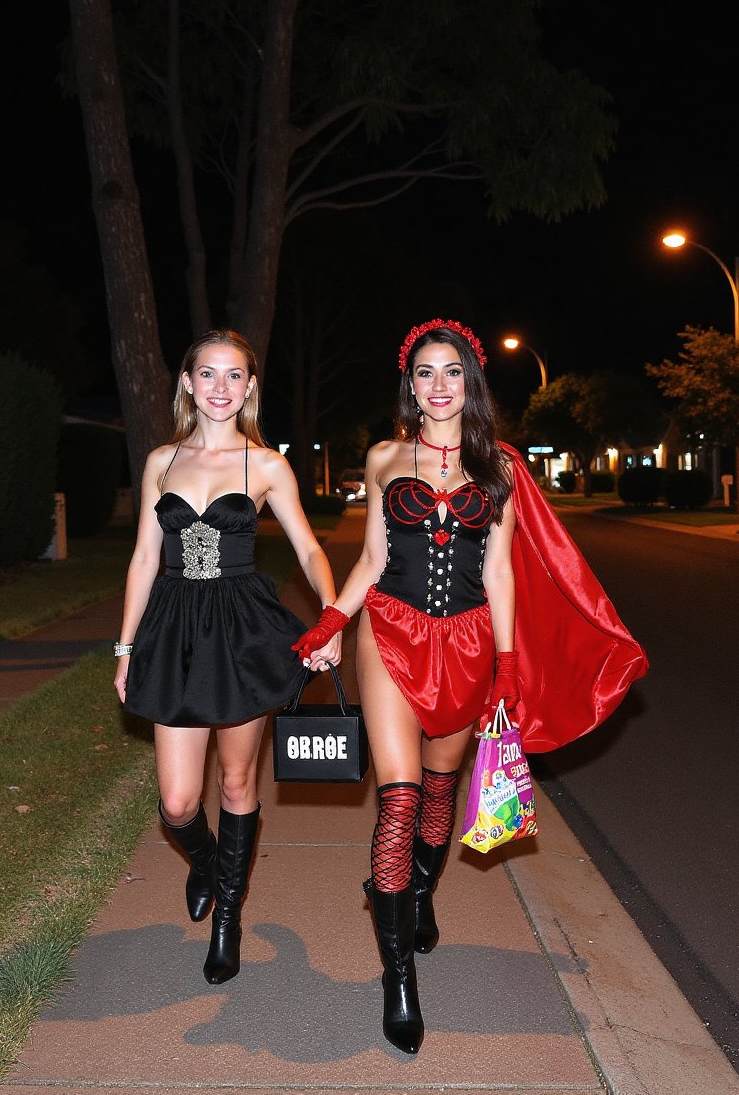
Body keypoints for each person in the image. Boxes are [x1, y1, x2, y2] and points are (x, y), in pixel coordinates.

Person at [292, 319, 649, 1055]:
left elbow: (501, 572)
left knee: (436, 792)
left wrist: (510, 662)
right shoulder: (386, 456)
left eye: (451, 372)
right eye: (425, 373)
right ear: (410, 385)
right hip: (389, 634)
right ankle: (398, 980)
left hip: (468, 641)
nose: (439, 386)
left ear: (471, 382)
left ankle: (416, 893)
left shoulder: (502, 468)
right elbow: (369, 560)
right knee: (395, 799)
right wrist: (330, 622)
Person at [114, 330, 341, 986]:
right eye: (206, 374)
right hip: (175, 633)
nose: (219, 387)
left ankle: (227, 921)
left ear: (249, 386)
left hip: (242, 634)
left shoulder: (267, 466)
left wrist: (331, 614)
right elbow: (143, 559)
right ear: (188, 383)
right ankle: (208, 862)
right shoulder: (161, 460)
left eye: (233, 376)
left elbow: (307, 548)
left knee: (237, 783)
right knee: (179, 801)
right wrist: (126, 649)